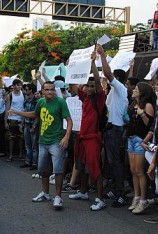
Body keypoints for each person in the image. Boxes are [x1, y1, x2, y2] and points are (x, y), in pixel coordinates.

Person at [9, 81, 73, 209]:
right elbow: (34, 114)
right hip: (43, 142)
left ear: (54, 90)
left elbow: (69, 121)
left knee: (58, 170)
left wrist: (66, 137)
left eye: (52, 89)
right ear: (42, 91)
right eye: (47, 89)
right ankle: (45, 193)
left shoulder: (60, 102)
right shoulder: (41, 102)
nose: (50, 92)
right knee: (44, 170)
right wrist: (17, 112)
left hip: (56, 141)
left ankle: (58, 197)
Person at [68, 50, 106, 211]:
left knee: (94, 168)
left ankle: (100, 198)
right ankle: (83, 191)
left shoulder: (99, 98)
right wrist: (71, 69)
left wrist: (92, 63)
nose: (90, 88)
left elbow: (97, 80)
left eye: (92, 86)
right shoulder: (85, 98)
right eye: (87, 86)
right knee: (81, 166)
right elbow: (71, 86)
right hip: (82, 138)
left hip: (92, 139)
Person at [97, 44, 129, 208]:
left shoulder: (121, 89)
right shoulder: (113, 92)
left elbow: (108, 74)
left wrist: (102, 55)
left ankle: (121, 194)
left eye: (111, 79)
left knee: (115, 162)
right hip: (109, 130)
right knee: (109, 162)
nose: (108, 80)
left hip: (115, 130)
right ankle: (115, 189)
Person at [126, 82, 156, 214]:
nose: (133, 90)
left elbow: (150, 125)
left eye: (136, 89)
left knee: (139, 170)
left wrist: (142, 113)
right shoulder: (133, 104)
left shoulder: (148, 106)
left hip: (140, 140)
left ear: (142, 92)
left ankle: (143, 200)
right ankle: (136, 197)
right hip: (131, 138)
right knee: (133, 170)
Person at [4, 79, 25, 162]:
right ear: (13, 86)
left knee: (21, 138)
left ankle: (20, 154)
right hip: (12, 119)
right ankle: (11, 155)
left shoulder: (23, 94)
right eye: (17, 85)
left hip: (21, 119)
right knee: (11, 138)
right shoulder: (10, 95)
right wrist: (5, 121)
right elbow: (7, 108)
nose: (18, 87)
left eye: (20, 85)